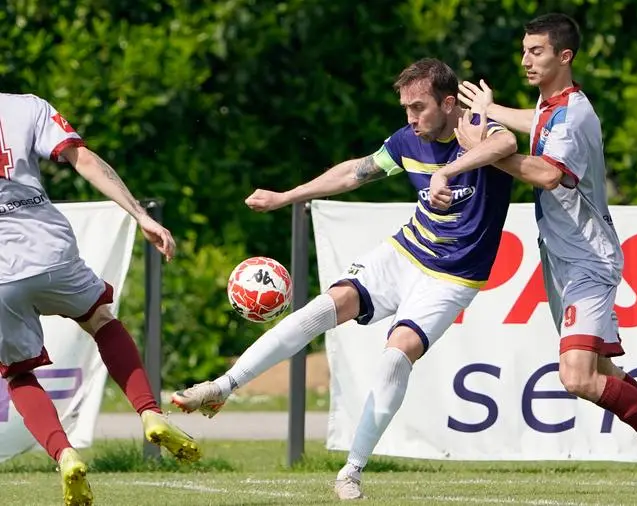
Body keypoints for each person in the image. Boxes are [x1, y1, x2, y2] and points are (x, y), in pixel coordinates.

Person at [171, 58, 518, 500]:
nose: (411, 119)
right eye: (405, 109)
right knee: (324, 306)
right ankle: (223, 386)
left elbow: (506, 142)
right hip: (405, 252)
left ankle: (351, 470)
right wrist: (287, 196)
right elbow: (355, 172)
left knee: (396, 357)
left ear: (449, 103)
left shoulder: (475, 129)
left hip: (453, 277)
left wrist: (448, 170)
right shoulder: (407, 140)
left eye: (419, 108)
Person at [444, 13, 637, 494]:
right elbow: (535, 123)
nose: (526, 59)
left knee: (577, 376)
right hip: (563, 260)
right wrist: (495, 109)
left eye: (537, 51)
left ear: (564, 56)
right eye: (524, 50)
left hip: (589, 259)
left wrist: (482, 146)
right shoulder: (554, 106)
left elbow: (547, 173)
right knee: (606, 373)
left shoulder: (572, 115)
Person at [0, 93, 202, 506]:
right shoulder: (25, 106)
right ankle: (149, 413)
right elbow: (85, 160)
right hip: (50, 251)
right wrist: (140, 215)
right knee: (102, 321)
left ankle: (65, 455)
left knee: (18, 373)